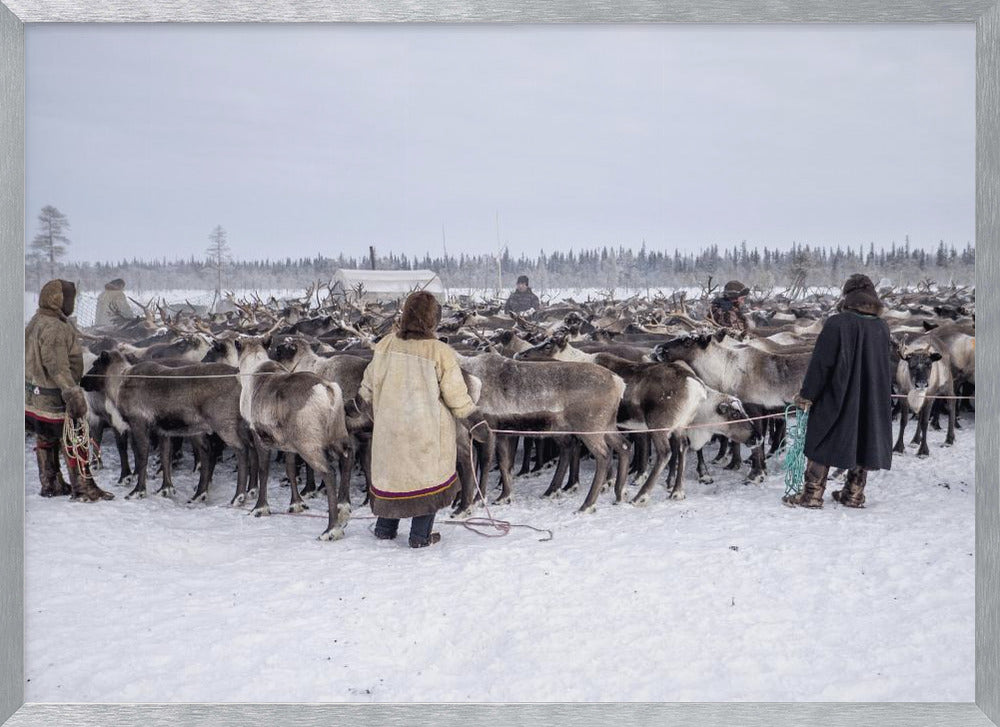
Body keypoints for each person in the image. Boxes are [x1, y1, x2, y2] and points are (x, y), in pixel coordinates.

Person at [359, 291, 486, 548]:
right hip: (425, 433)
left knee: (393, 476)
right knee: (425, 479)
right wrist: (477, 422)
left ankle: (385, 528)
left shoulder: (385, 345)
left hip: (390, 431)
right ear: (432, 320)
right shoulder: (439, 351)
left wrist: (358, 403)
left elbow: (368, 384)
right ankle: (420, 536)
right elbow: (456, 396)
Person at [783, 273, 892, 509]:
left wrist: (808, 394)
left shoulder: (837, 323)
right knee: (865, 439)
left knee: (822, 438)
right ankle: (853, 494)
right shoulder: (882, 327)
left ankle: (812, 495)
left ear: (847, 295)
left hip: (838, 394)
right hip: (871, 398)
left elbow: (822, 364)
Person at [25, 279, 113, 501]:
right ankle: (83, 487)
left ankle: (51, 482)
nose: (71, 303)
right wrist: (72, 393)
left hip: (35, 396)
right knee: (75, 439)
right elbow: (57, 366)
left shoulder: (37, 320)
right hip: (55, 396)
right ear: (59, 300)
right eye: (70, 299)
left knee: (46, 438)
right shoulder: (55, 328)